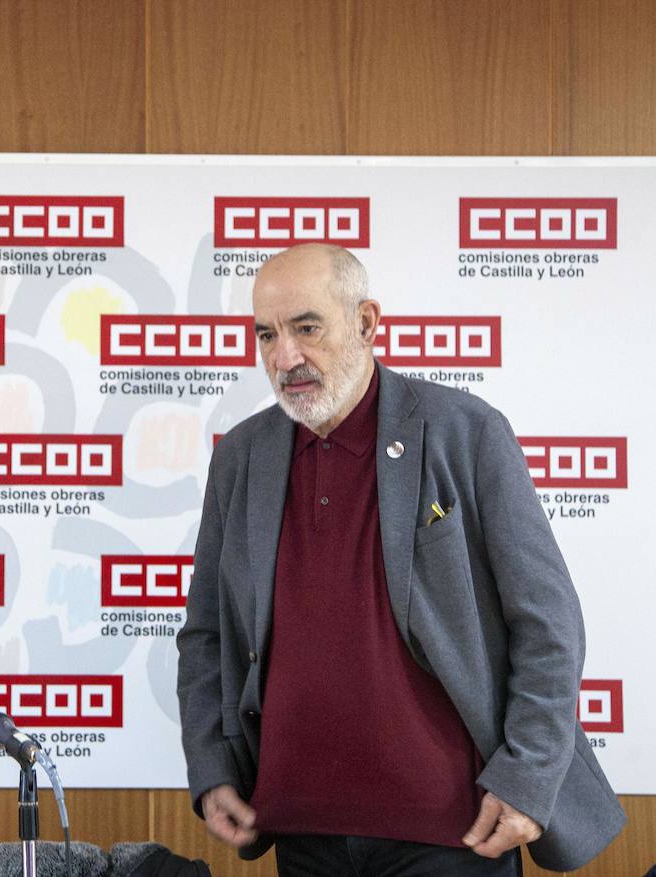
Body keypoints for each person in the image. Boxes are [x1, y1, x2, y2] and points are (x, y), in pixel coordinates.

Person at [176, 244, 625, 875]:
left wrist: (528, 776)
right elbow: (206, 635)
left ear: (365, 323)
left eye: (307, 328)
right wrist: (212, 765)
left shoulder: (466, 432)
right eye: (267, 335)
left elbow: (549, 624)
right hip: (303, 831)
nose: (285, 357)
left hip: (455, 835)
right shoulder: (241, 458)